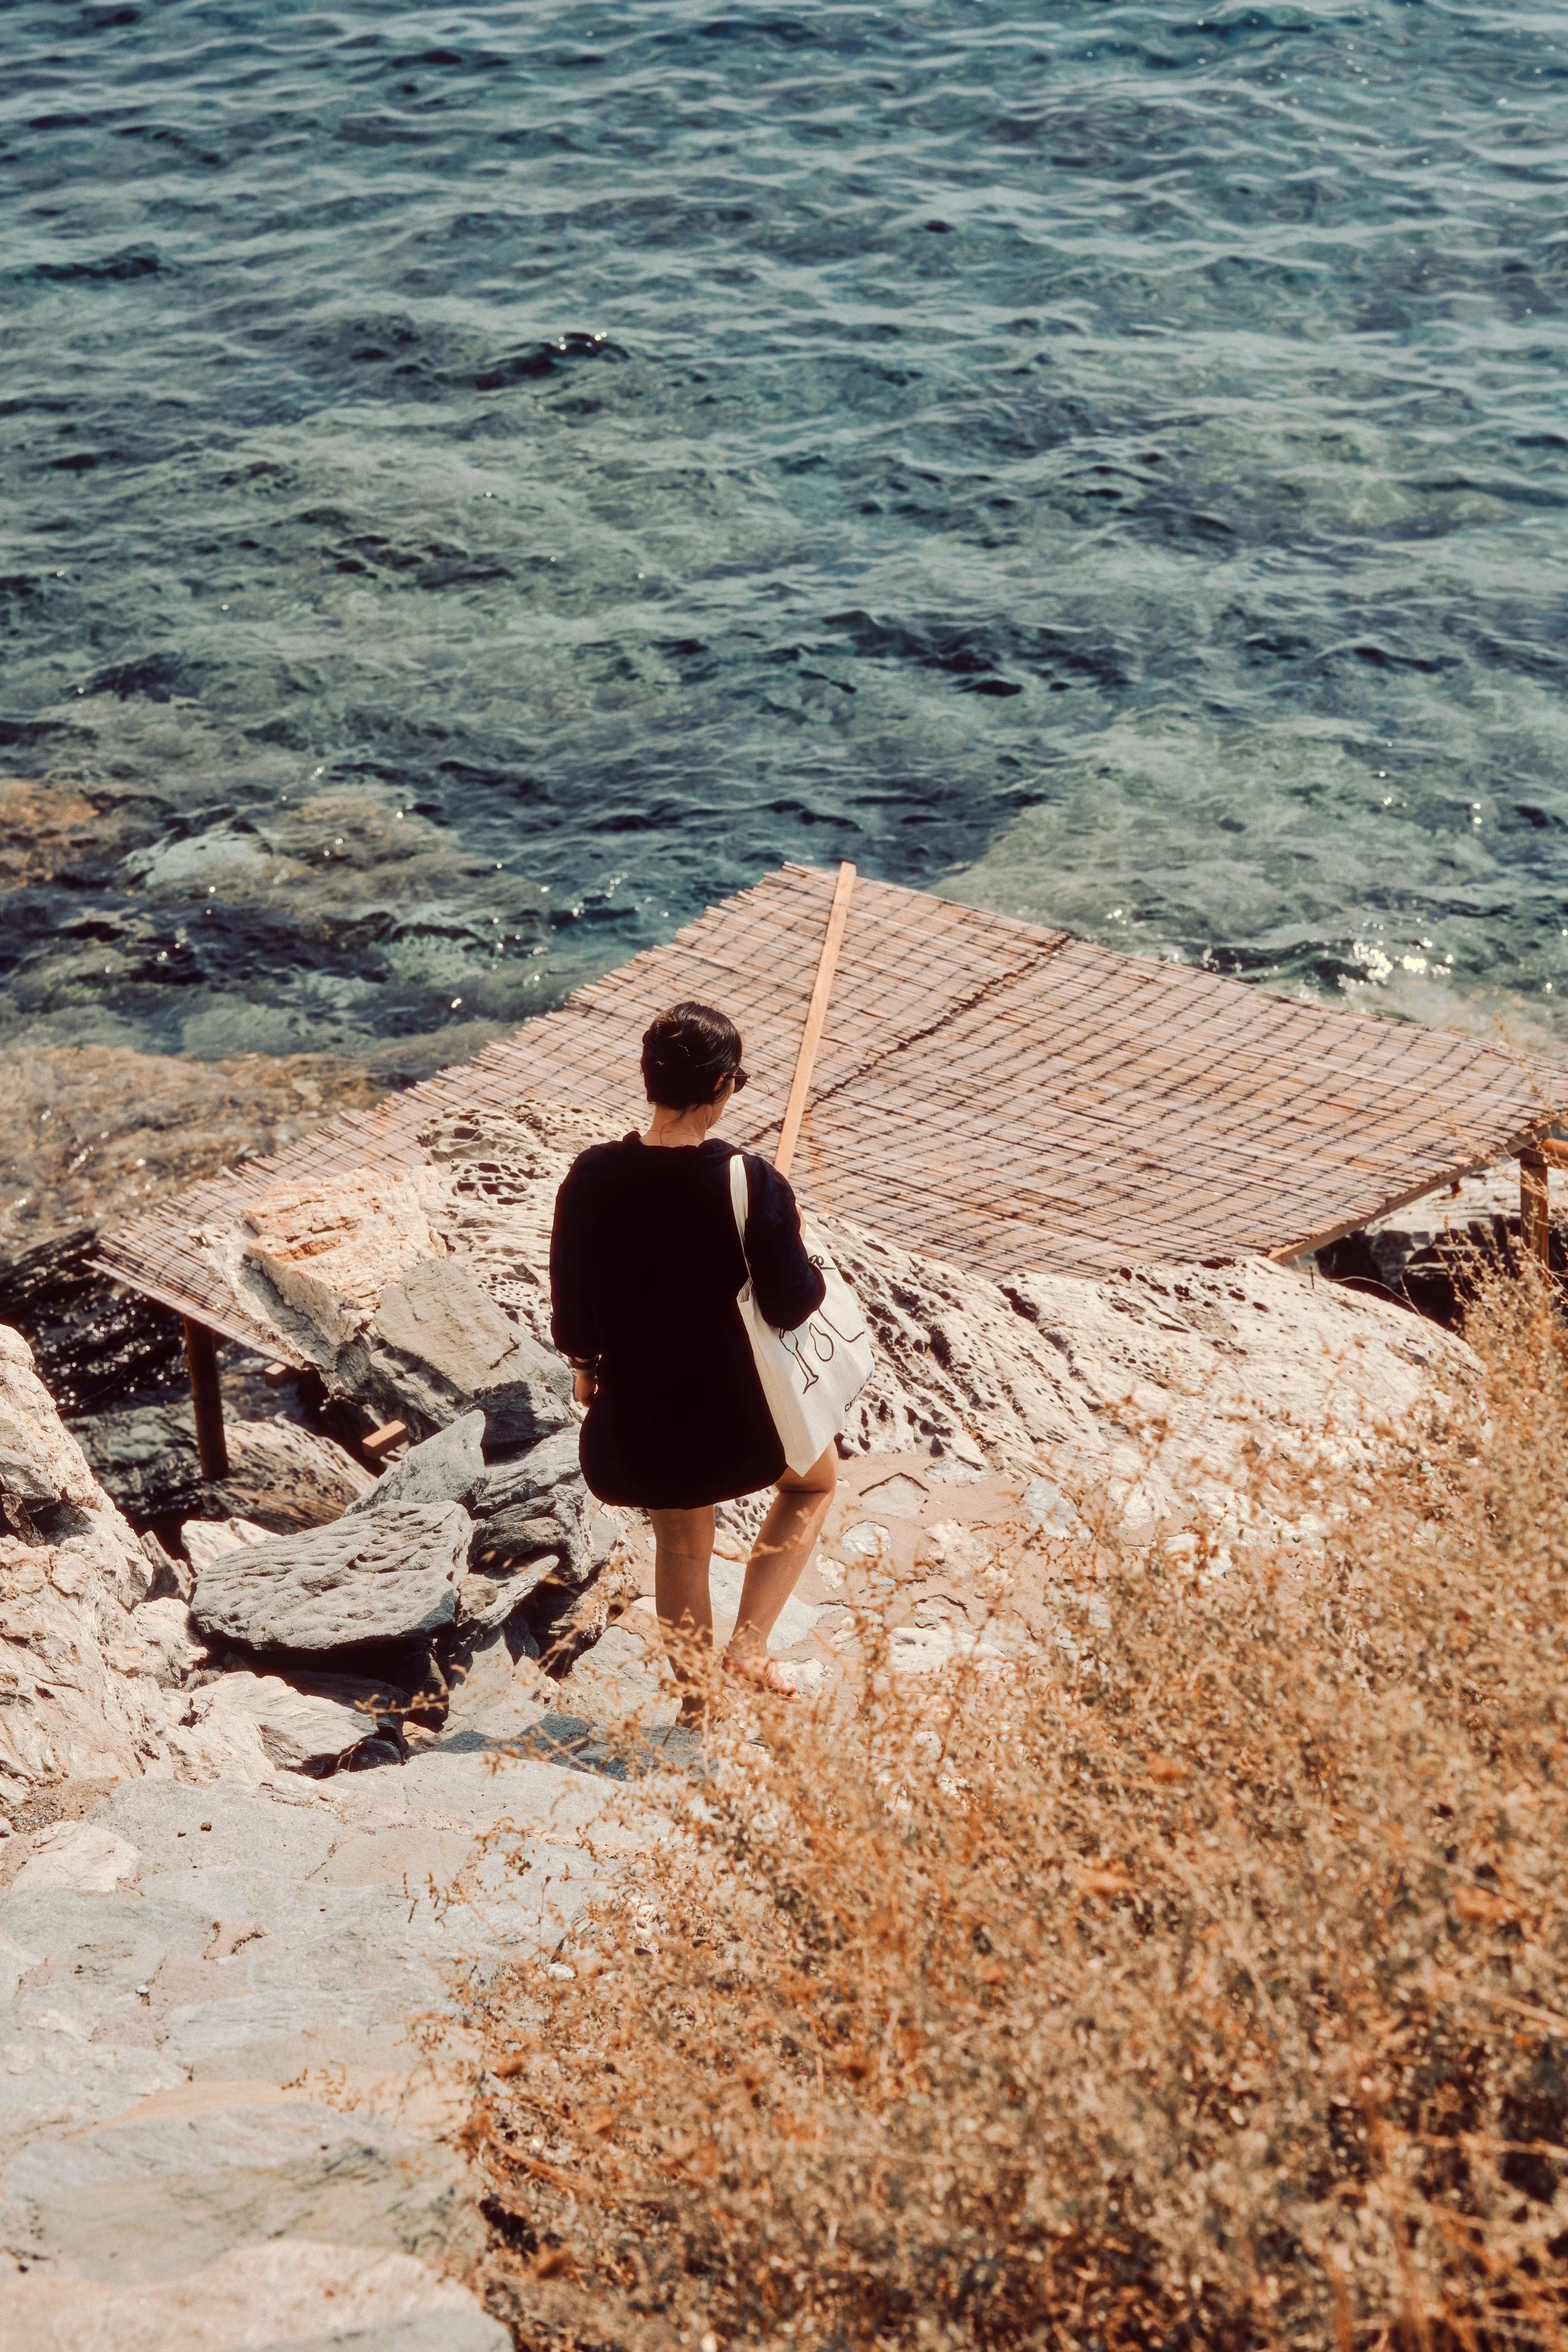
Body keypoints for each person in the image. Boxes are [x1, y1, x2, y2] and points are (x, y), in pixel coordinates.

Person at [548, 1000, 835, 1715]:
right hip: (738, 1413)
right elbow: (790, 1304)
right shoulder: (750, 1181)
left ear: (650, 1081)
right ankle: (749, 1645)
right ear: (724, 1086)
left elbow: (571, 1298)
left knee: (681, 1547)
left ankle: (696, 1701)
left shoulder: (591, 1175)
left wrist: (585, 1367)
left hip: (643, 1410)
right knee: (813, 1485)